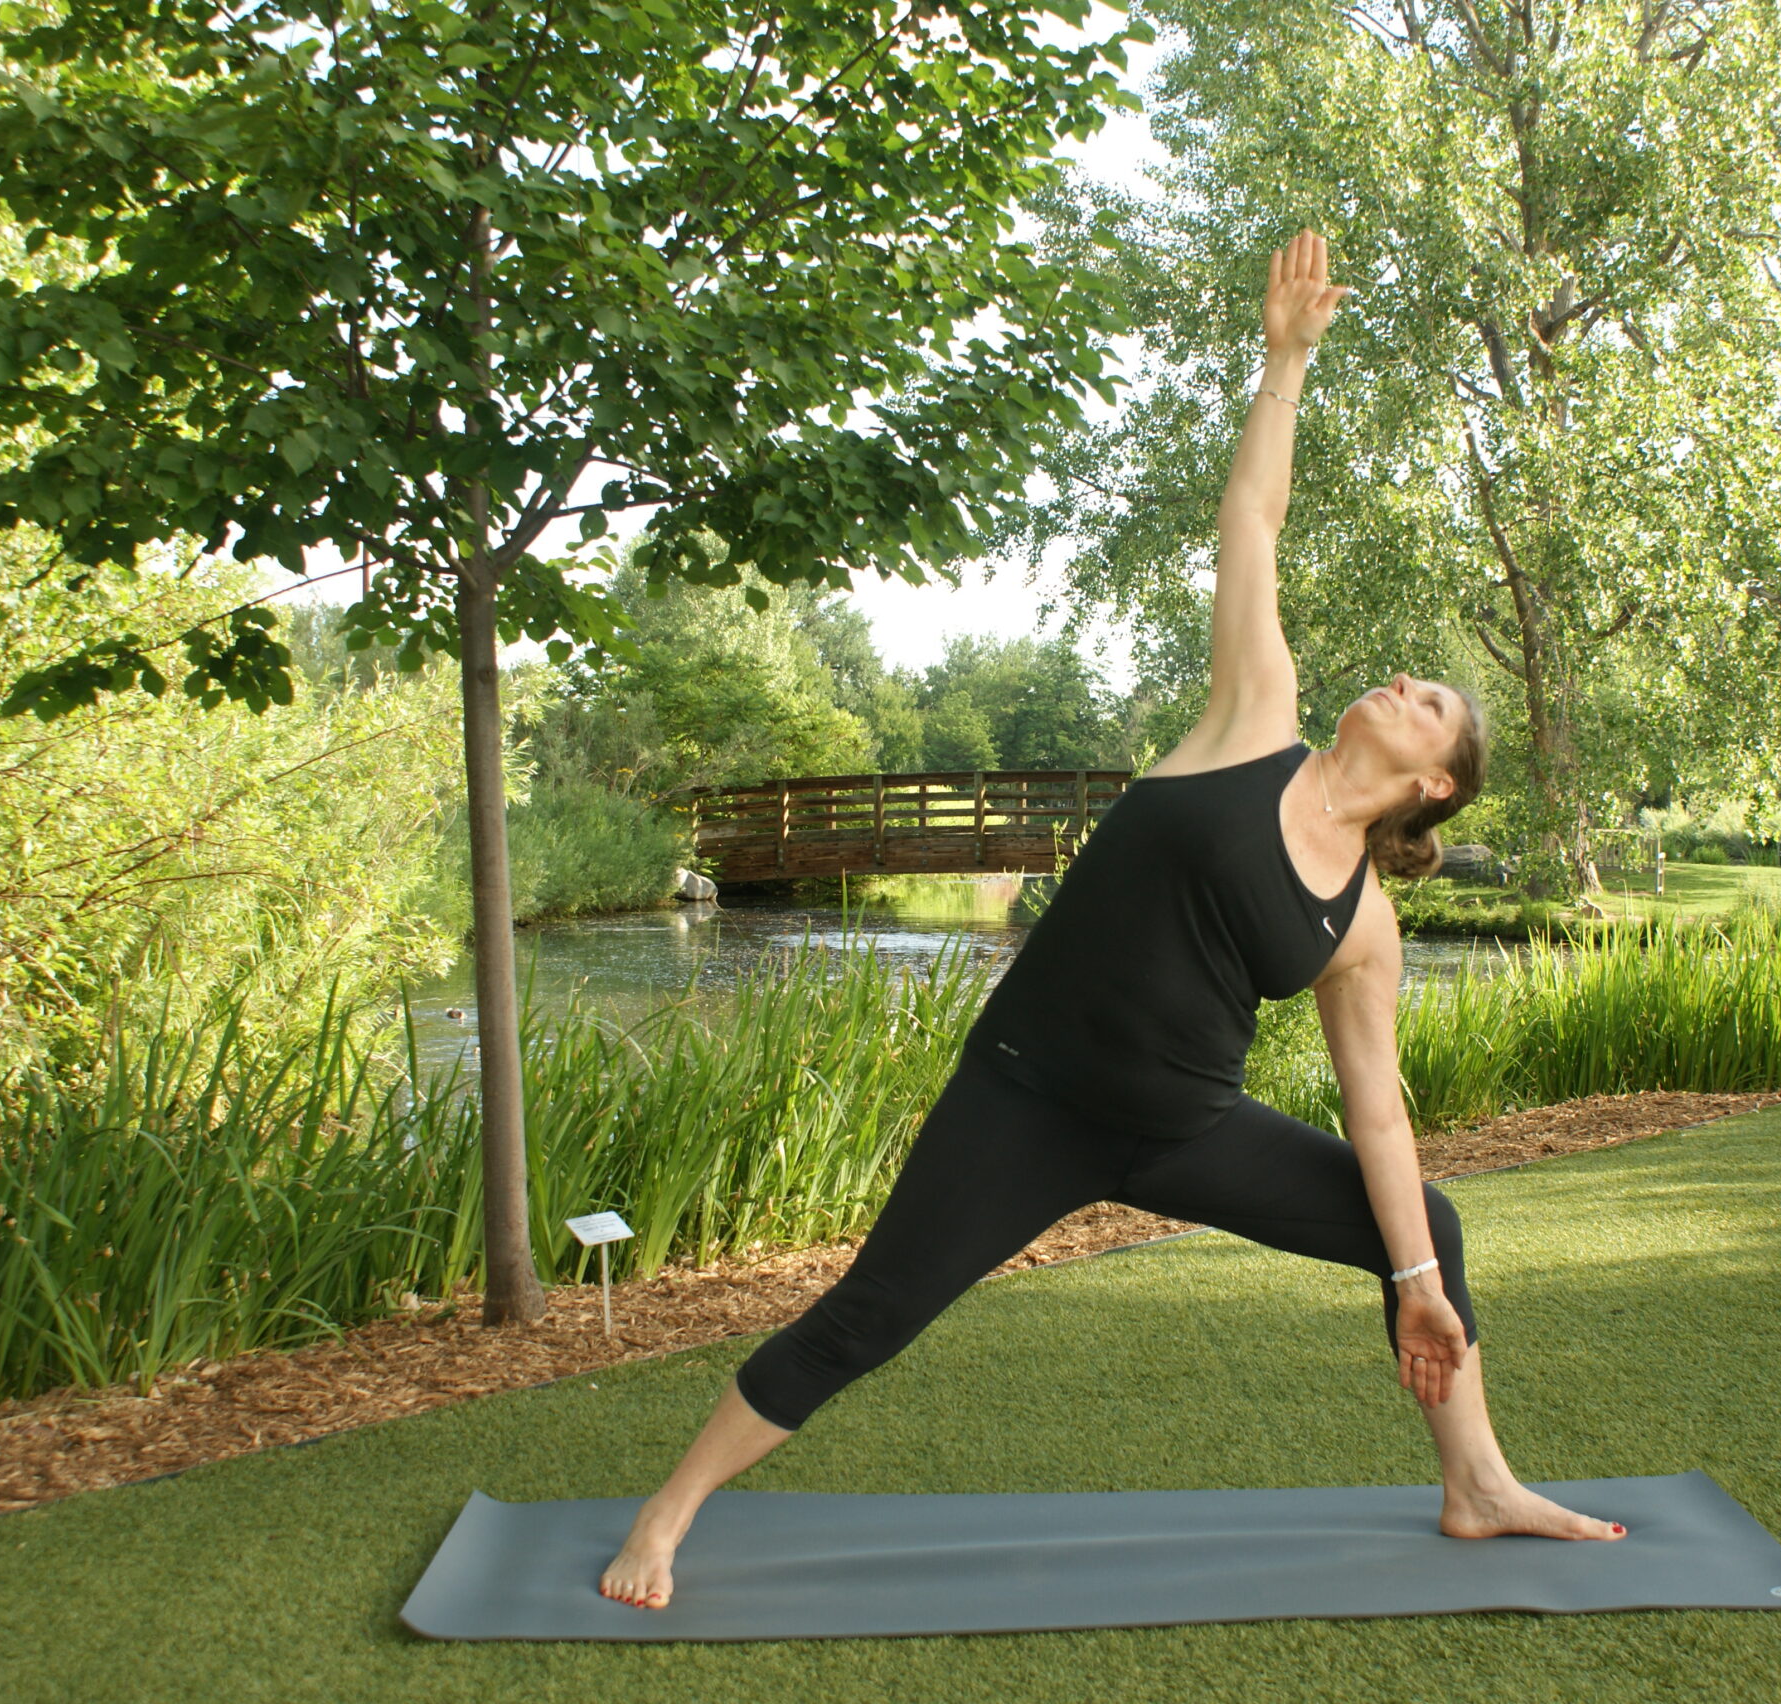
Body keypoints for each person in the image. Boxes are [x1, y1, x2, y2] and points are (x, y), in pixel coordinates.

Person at [599, 230, 1623, 1610]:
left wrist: (1414, 1275)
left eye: (1429, 700)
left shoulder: (1364, 922)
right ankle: (667, 1514)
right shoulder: (1250, 725)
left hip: (1185, 1128)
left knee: (1423, 1214)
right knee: (874, 1313)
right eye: (1406, 676)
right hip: (1028, 1098)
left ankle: (1477, 1482)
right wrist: (1285, 363)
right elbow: (1251, 528)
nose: (1399, 684)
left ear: (1435, 781)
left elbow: (1377, 1115)